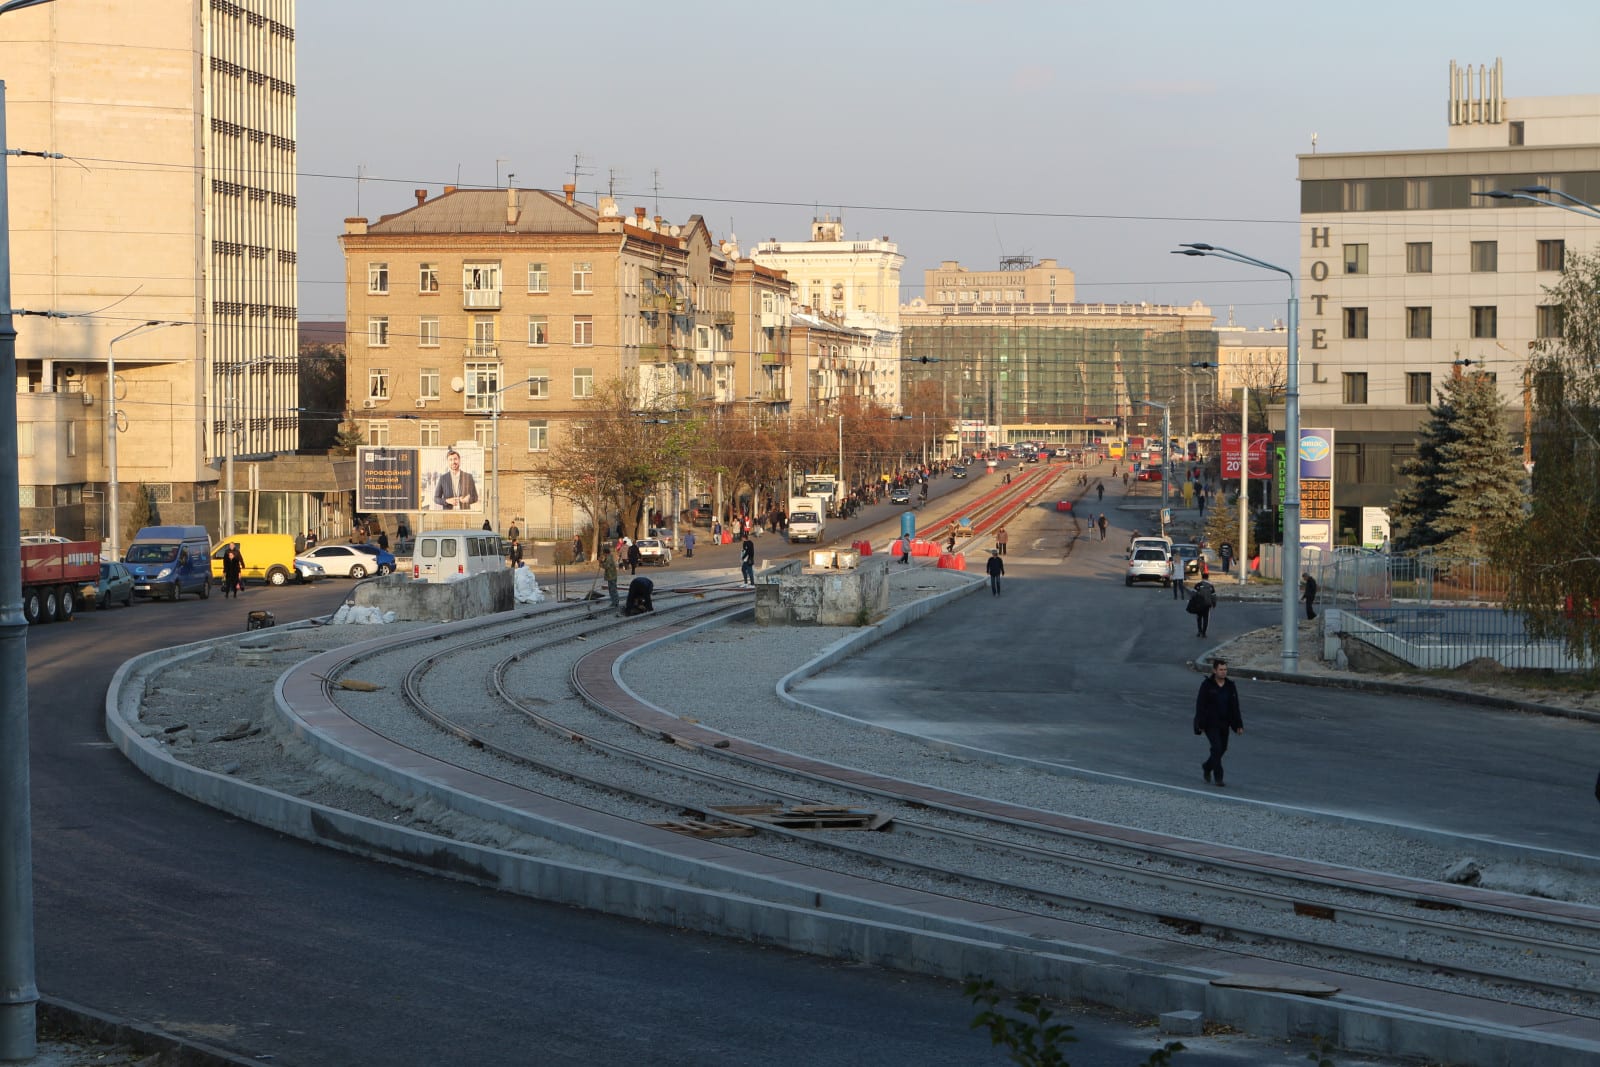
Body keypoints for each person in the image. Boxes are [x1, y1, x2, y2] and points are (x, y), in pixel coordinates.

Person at [1193, 658, 1244, 787]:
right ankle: (1218, 777)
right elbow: (1200, 705)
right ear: (1214, 670)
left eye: (1225, 669)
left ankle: (1207, 766)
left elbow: (1235, 707)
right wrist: (1201, 724)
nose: (1223, 672)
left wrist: (1238, 725)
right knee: (1216, 747)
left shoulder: (1230, 686)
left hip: (1224, 723)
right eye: (1221, 670)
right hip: (1210, 723)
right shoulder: (1207, 685)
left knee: (1222, 749)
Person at [600, 544, 619, 609]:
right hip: (611, 576)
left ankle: (615, 602)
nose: (603, 555)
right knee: (612, 590)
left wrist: (601, 564)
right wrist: (602, 561)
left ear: (605, 553)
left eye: (603, 553)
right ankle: (614, 602)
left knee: (612, 590)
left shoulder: (609, 558)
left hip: (611, 576)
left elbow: (606, 566)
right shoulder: (609, 557)